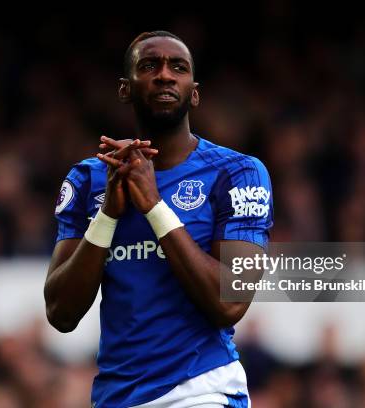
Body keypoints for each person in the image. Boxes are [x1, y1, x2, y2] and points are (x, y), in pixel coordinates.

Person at [44, 30, 273, 407]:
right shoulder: (89, 179)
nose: (165, 75)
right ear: (125, 89)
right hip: (115, 397)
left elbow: (229, 303)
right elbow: (60, 313)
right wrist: (108, 216)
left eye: (178, 67)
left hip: (201, 391)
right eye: (150, 65)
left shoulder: (238, 174)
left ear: (194, 92)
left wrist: (154, 207)